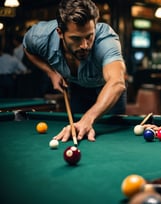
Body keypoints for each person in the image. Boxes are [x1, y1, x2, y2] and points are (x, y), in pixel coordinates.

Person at [23, 0, 127, 142]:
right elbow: (28, 49)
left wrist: (88, 118)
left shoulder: (105, 39)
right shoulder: (40, 37)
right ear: (60, 33)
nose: (85, 45)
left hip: (108, 92)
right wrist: (51, 73)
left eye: (89, 36)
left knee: (111, 140)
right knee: (79, 133)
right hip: (78, 89)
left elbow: (117, 82)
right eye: (76, 38)